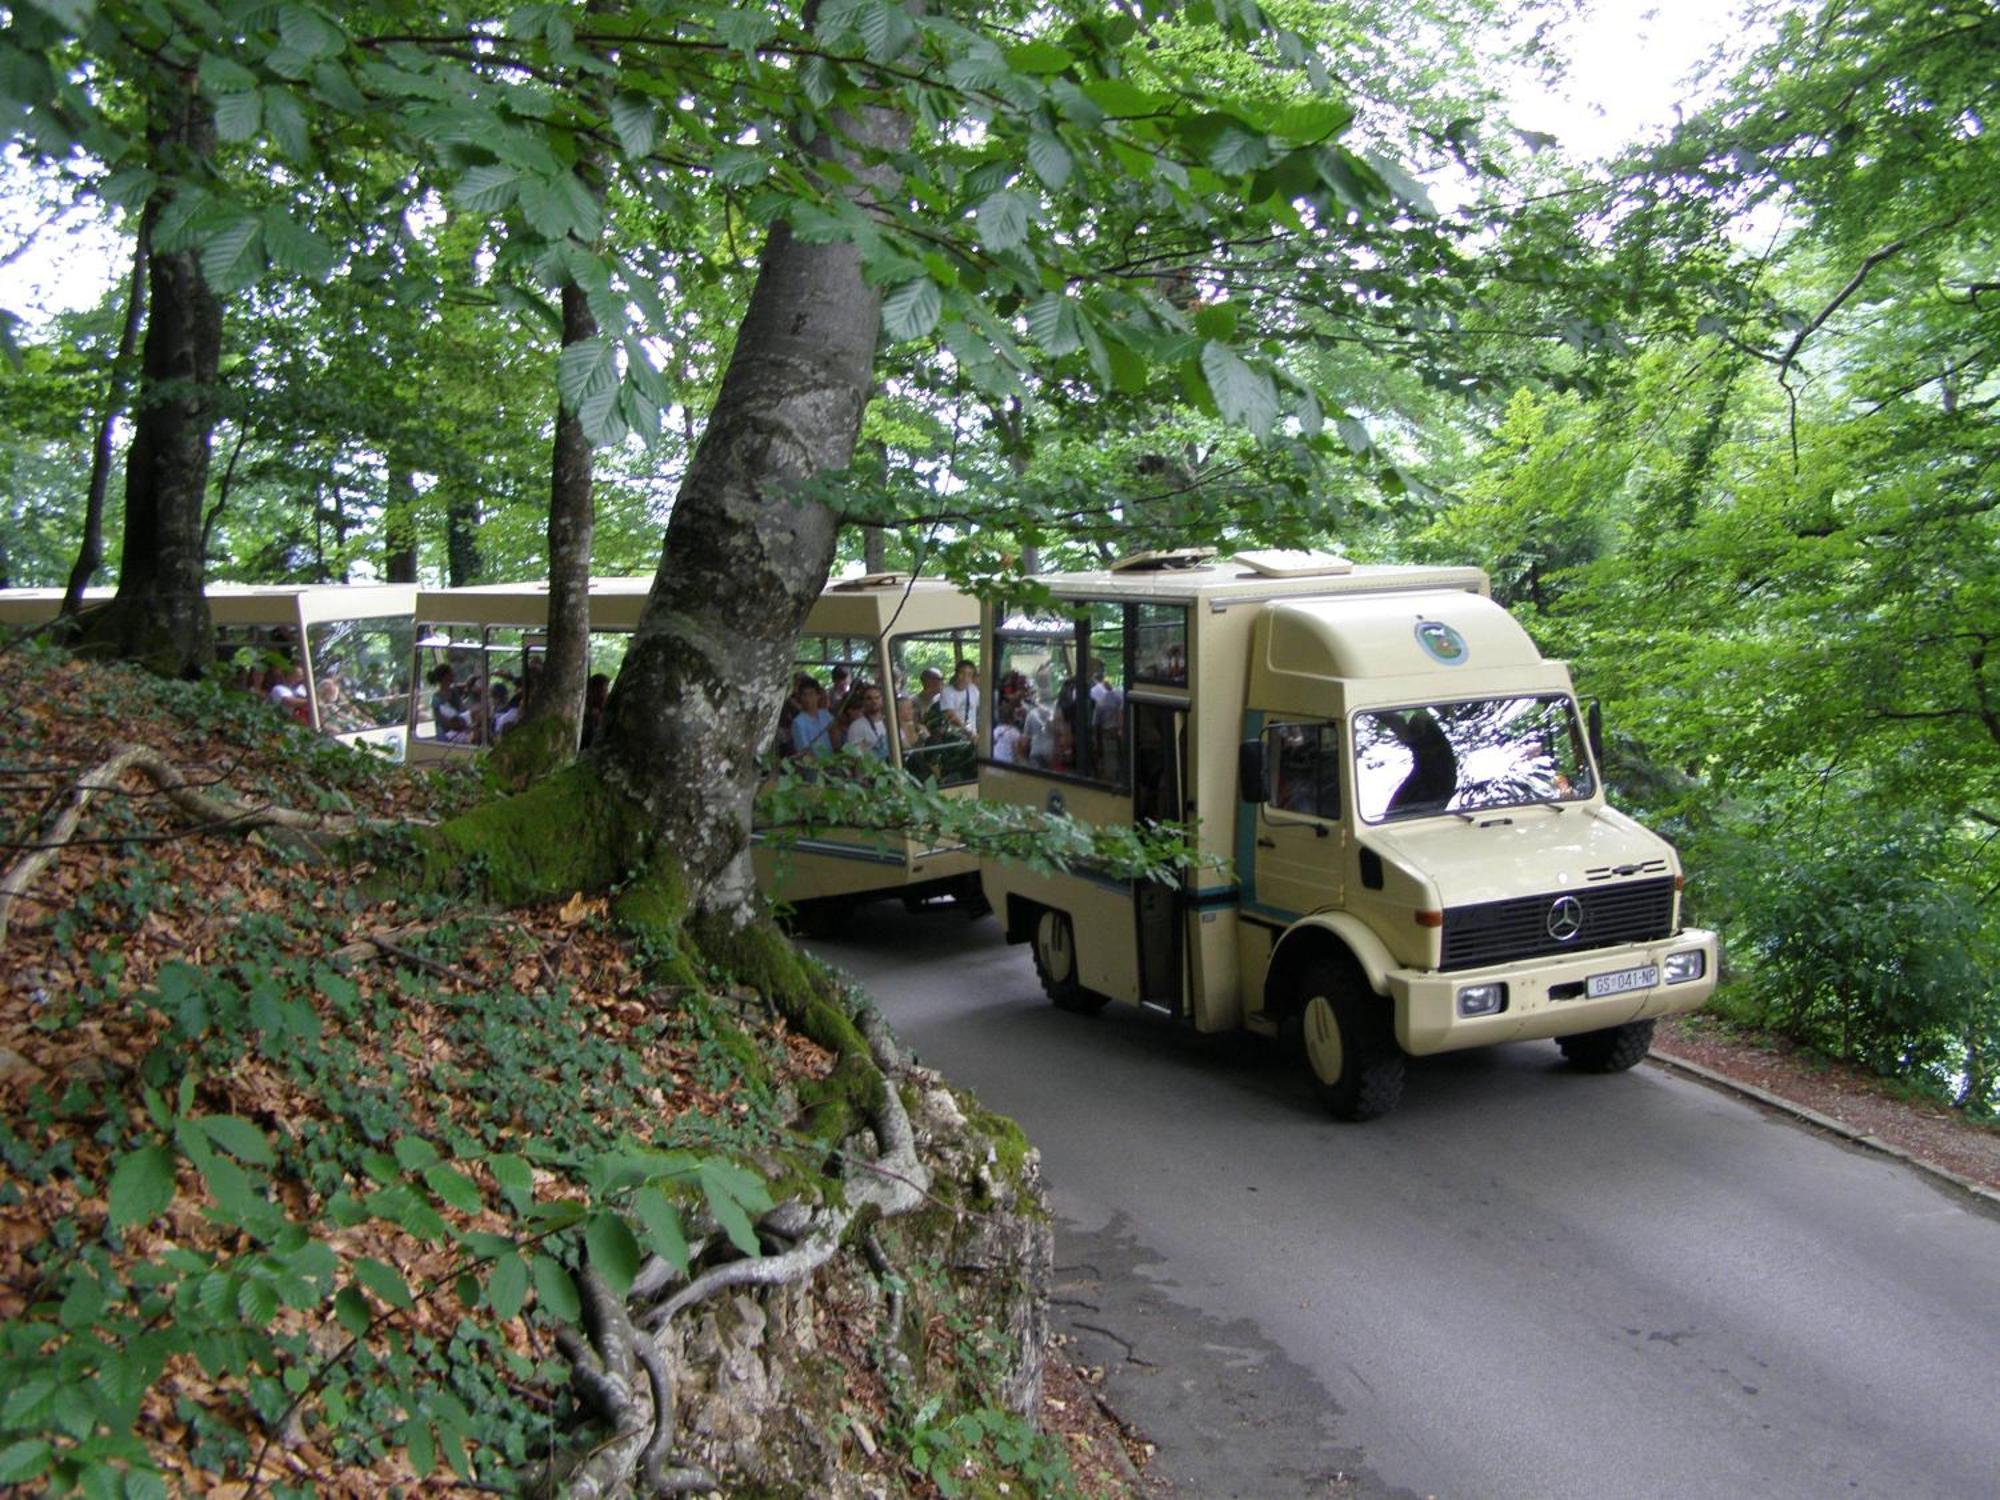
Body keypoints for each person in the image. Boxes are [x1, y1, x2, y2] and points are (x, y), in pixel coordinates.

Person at [843, 682, 892, 759]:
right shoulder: (856, 726)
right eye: (869, 698)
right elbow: (854, 758)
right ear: (863, 701)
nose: (874, 701)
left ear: (882, 699)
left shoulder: (891, 722)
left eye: (877, 697)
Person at [789, 679, 836, 758]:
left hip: (831, 763)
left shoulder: (825, 715)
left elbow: (835, 735)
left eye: (811, 694)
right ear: (800, 697)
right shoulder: (798, 723)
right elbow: (804, 752)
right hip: (815, 768)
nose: (807, 699)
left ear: (818, 696)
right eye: (804, 695)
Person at [430, 663, 472, 742]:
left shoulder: (455, 690)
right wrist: (466, 723)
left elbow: (468, 684)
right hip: (446, 736)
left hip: (460, 730)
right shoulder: (437, 699)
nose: (454, 674)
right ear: (445, 676)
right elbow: (446, 722)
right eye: (451, 673)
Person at [939, 659, 980, 737]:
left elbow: (982, 710)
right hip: (954, 737)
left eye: (969, 674)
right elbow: (950, 715)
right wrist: (968, 732)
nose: (965, 678)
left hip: (972, 737)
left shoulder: (974, 690)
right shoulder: (947, 692)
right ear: (956, 673)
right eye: (962, 673)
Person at [581, 673, 610, 748]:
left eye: (605, 690)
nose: (605, 693)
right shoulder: (585, 700)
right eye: (603, 690)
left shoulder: (607, 701)